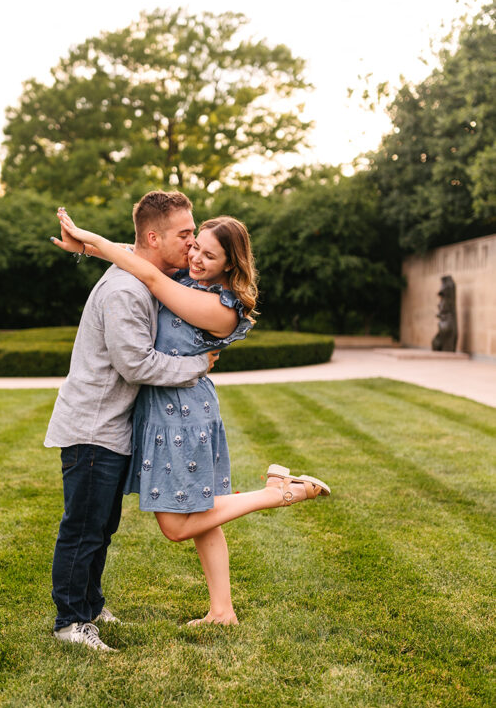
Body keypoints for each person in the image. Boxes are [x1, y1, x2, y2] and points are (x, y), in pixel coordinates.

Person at [55, 207, 330, 627]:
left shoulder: (219, 307)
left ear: (230, 265)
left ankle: (276, 494)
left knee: (177, 525)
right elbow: (142, 252)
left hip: (181, 413)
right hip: (167, 407)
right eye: (194, 245)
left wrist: (92, 242)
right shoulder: (190, 278)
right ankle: (222, 610)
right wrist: (86, 245)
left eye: (207, 254)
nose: (194, 256)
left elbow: (148, 274)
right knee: (203, 512)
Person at [45, 190, 219, 651]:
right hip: (93, 428)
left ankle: (90, 603)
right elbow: (136, 365)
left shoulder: (139, 271)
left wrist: (88, 244)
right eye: (185, 234)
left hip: (112, 427)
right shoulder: (125, 290)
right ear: (155, 238)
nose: (193, 243)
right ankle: (70, 622)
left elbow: (129, 247)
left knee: (102, 527)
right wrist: (198, 365)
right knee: (84, 528)